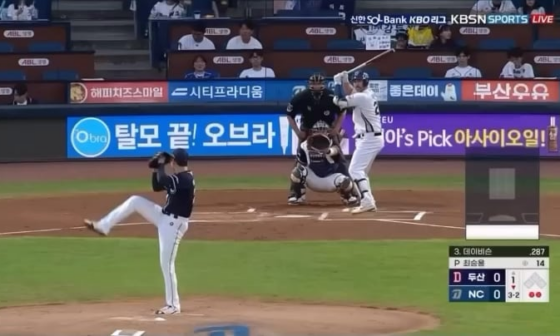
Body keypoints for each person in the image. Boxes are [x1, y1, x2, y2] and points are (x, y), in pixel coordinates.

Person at [84, 148, 195, 315]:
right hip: (164, 218)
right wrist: (155, 168)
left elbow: (163, 178)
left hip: (174, 225)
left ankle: (173, 306)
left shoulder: (184, 180)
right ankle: (103, 226)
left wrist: (159, 165)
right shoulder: (180, 178)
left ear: (174, 162)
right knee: (135, 201)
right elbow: (157, 186)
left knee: (167, 265)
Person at [286, 73, 351, 205]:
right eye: (313, 84)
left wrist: (336, 129)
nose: (316, 86)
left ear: (323, 84)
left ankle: (349, 192)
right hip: (308, 130)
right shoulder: (302, 96)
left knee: (340, 160)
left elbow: (342, 111)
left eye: (319, 83)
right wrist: (298, 132)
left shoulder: (331, 96)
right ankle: (297, 193)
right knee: (300, 160)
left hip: (327, 130)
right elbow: (289, 114)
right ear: (309, 85)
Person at [332, 70, 384, 214]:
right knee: (361, 172)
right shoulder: (367, 94)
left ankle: (367, 201)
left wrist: (337, 83)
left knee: (354, 170)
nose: (357, 83)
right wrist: (345, 79)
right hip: (369, 138)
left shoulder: (363, 97)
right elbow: (351, 91)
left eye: (359, 81)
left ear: (365, 82)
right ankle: (367, 201)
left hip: (369, 138)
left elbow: (340, 102)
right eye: (355, 81)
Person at [290, 120, 360, 205]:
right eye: (317, 130)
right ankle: (298, 195)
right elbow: (301, 163)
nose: (320, 133)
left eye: (322, 130)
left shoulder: (333, 144)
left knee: (345, 181)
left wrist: (327, 151)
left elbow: (336, 151)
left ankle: (347, 196)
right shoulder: (304, 145)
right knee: (297, 171)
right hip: (313, 179)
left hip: (331, 180)